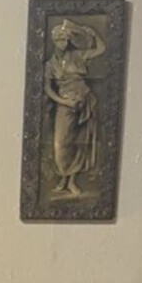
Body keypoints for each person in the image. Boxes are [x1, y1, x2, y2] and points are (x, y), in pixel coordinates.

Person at [43, 18, 106, 198]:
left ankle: (70, 181)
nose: (62, 43)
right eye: (59, 39)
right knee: (60, 144)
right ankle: (63, 177)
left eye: (64, 39)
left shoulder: (78, 56)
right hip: (65, 105)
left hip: (84, 100)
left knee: (80, 141)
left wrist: (93, 33)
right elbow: (48, 88)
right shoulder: (50, 64)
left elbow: (101, 49)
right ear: (54, 41)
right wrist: (63, 102)